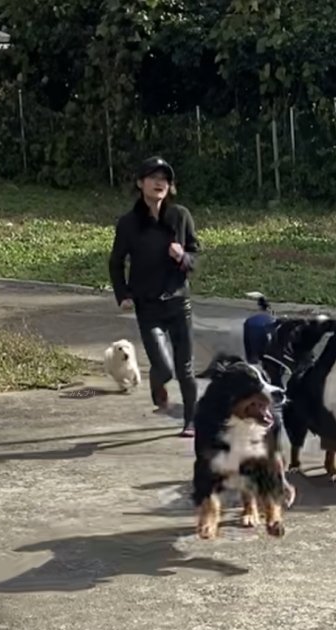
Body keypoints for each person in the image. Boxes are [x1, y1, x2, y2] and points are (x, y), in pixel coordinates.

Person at [108, 156, 201, 437]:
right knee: (164, 366)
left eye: (165, 178)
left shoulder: (180, 216)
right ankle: (156, 381)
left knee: (185, 367)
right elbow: (115, 261)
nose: (160, 182)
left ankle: (190, 421)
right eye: (153, 177)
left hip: (178, 301)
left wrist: (183, 256)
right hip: (147, 305)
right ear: (141, 183)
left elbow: (195, 256)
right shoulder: (128, 223)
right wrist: (123, 294)